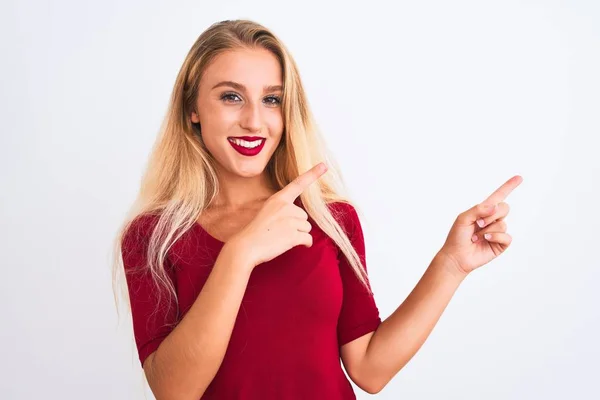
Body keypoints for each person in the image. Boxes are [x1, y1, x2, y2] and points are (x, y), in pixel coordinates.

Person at [112, 19, 523, 399]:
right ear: (193, 109)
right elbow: (174, 391)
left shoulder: (331, 219)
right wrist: (239, 254)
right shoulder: (153, 236)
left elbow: (369, 369)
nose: (255, 121)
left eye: (272, 99)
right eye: (231, 96)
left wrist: (451, 264)